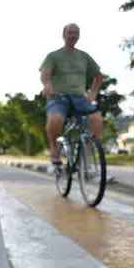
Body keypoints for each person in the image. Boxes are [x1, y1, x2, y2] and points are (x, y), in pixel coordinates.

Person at [39, 23, 104, 168]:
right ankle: (54, 148)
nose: (73, 35)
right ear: (64, 35)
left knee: (96, 118)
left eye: (76, 33)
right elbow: (45, 74)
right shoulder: (53, 56)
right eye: (70, 32)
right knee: (55, 118)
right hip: (58, 97)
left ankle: (88, 157)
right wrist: (47, 85)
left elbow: (99, 77)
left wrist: (92, 94)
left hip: (80, 98)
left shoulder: (84, 56)